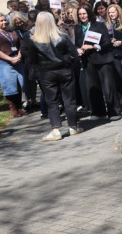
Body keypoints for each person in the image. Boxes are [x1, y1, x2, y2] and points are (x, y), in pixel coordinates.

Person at [22, 12, 81, 141]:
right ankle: (73, 126)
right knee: (69, 99)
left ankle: (55, 130)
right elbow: (74, 55)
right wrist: (69, 64)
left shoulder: (34, 40)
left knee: (51, 101)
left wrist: (36, 74)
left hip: (46, 73)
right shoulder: (62, 36)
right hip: (64, 71)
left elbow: (32, 60)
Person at [0, 15, 27, 117]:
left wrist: (19, 56)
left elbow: (21, 45)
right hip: (4, 62)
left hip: (17, 60)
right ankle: (13, 108)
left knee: (20, 84)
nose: (4, 22)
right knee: (10, 86)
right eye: (1, 21)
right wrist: (10, 59)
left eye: (5, 20)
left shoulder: (12, 31)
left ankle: (19, 107)